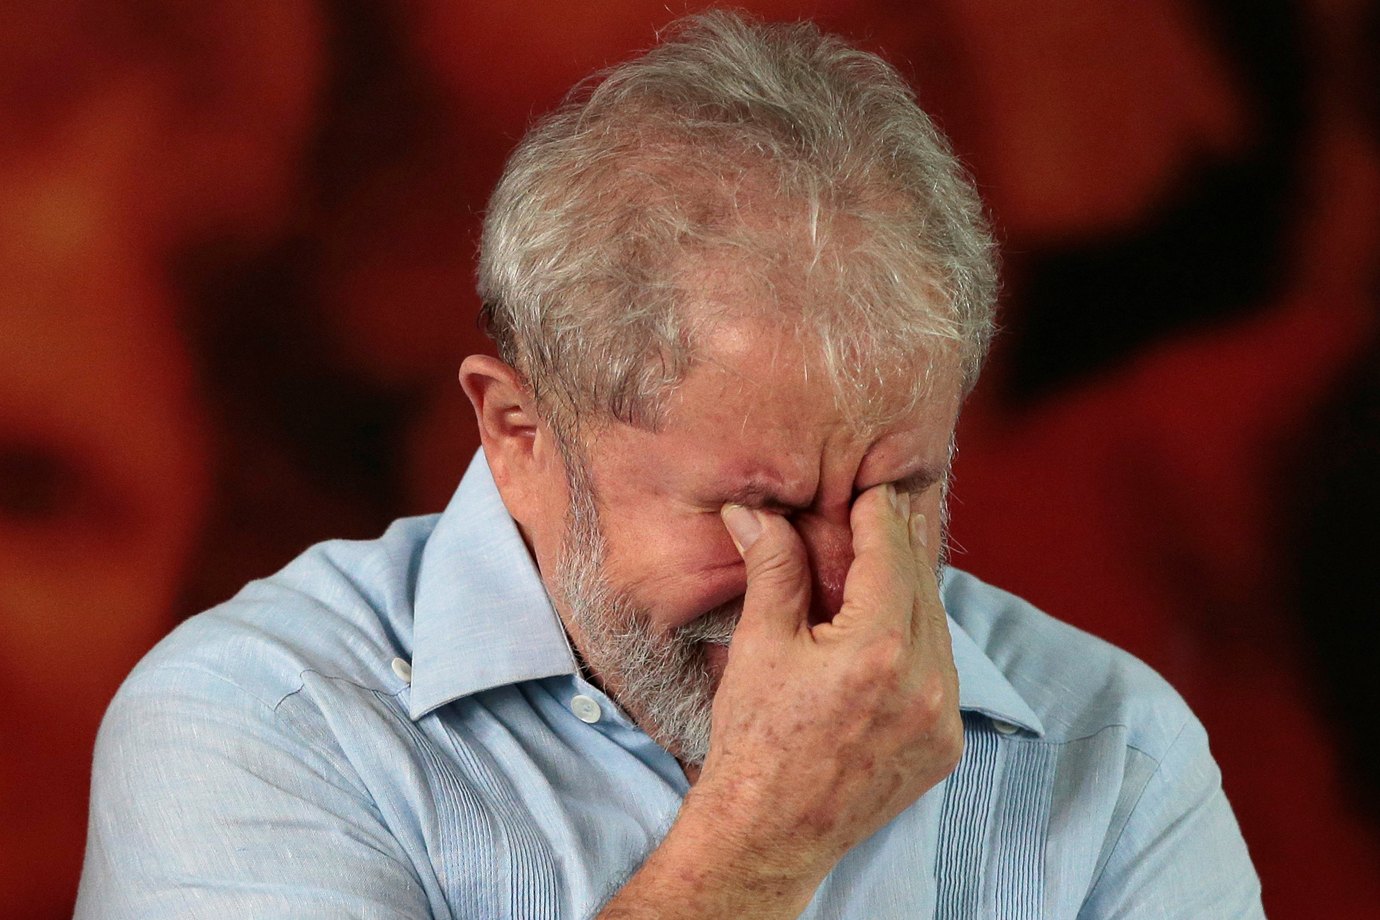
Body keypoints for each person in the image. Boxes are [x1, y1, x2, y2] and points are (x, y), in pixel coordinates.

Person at [76, 12, 1264, 918]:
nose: (849, 582)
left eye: (898, 489)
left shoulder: (1112, 745)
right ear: (519, 430)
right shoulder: (255, 722)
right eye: (762, 504)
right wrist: (764, 840)